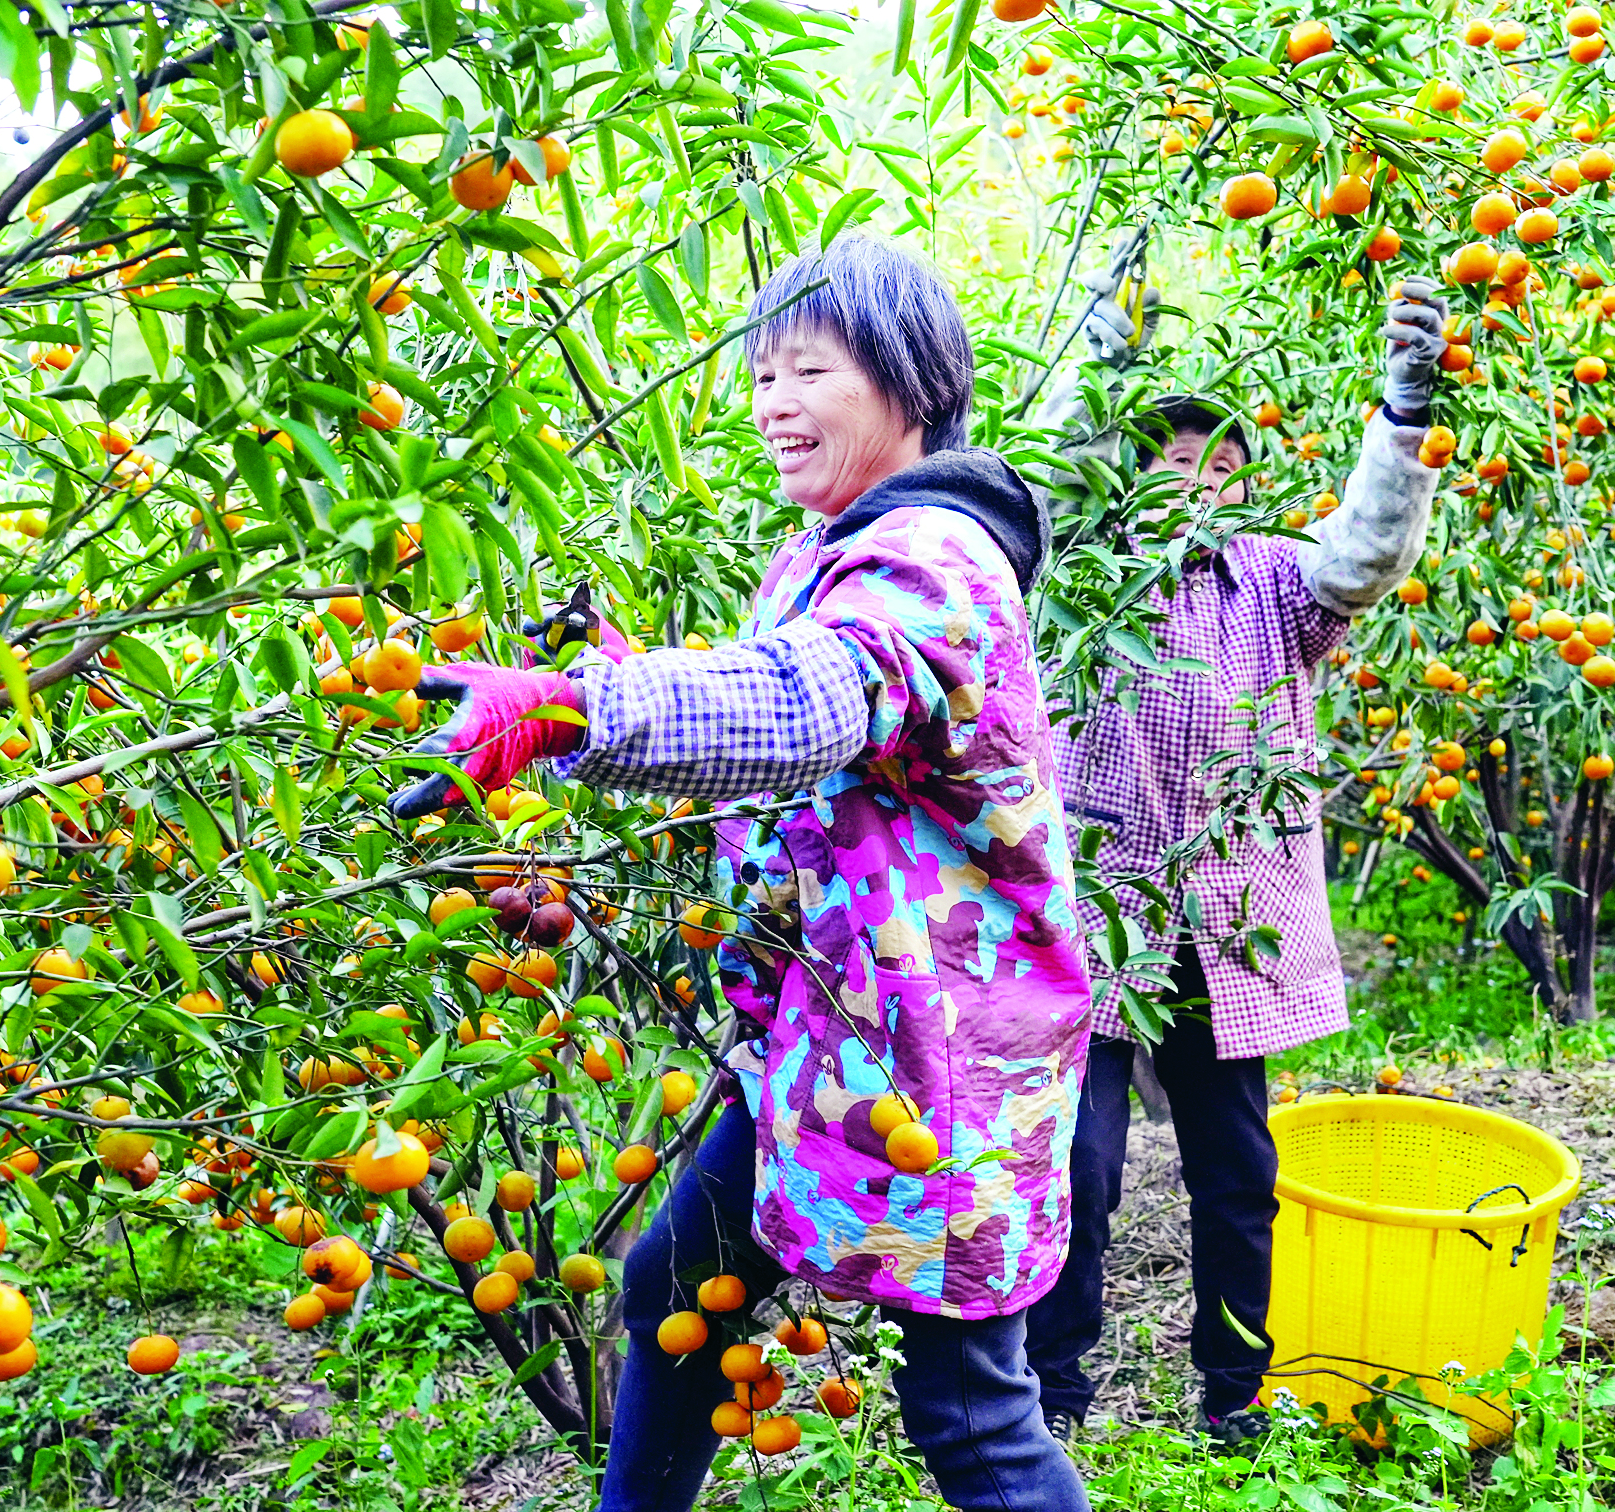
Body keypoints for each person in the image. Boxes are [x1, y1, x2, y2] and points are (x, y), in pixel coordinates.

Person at [392, 232, 1094, 1512]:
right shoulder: (830, 549)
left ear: (914, 383)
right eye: (764, 374)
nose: (774, 403)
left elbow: (817, 700)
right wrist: (626, 672)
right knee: (675, 1289)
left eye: (810, 372)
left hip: (940, 1064)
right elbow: (778, 741)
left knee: (969, 1414)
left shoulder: (933, 561)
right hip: (829, 1046)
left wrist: (584, 708)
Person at [1021, 274, 1452, 1452]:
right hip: (1097, 920)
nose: (1197, 482)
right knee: (1079, 1165)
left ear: (1249, 487)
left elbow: (1366, 552)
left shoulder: (1275, 581)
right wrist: (1105, 346)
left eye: (1221, 466)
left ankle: (1235, 1396)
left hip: (1226, 922)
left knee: (1236, 1173)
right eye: (1172, 461)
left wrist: (1404, 414)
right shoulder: (1082, 571)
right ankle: (1053, 1393)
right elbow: (1060, 472)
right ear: (1131, 475)